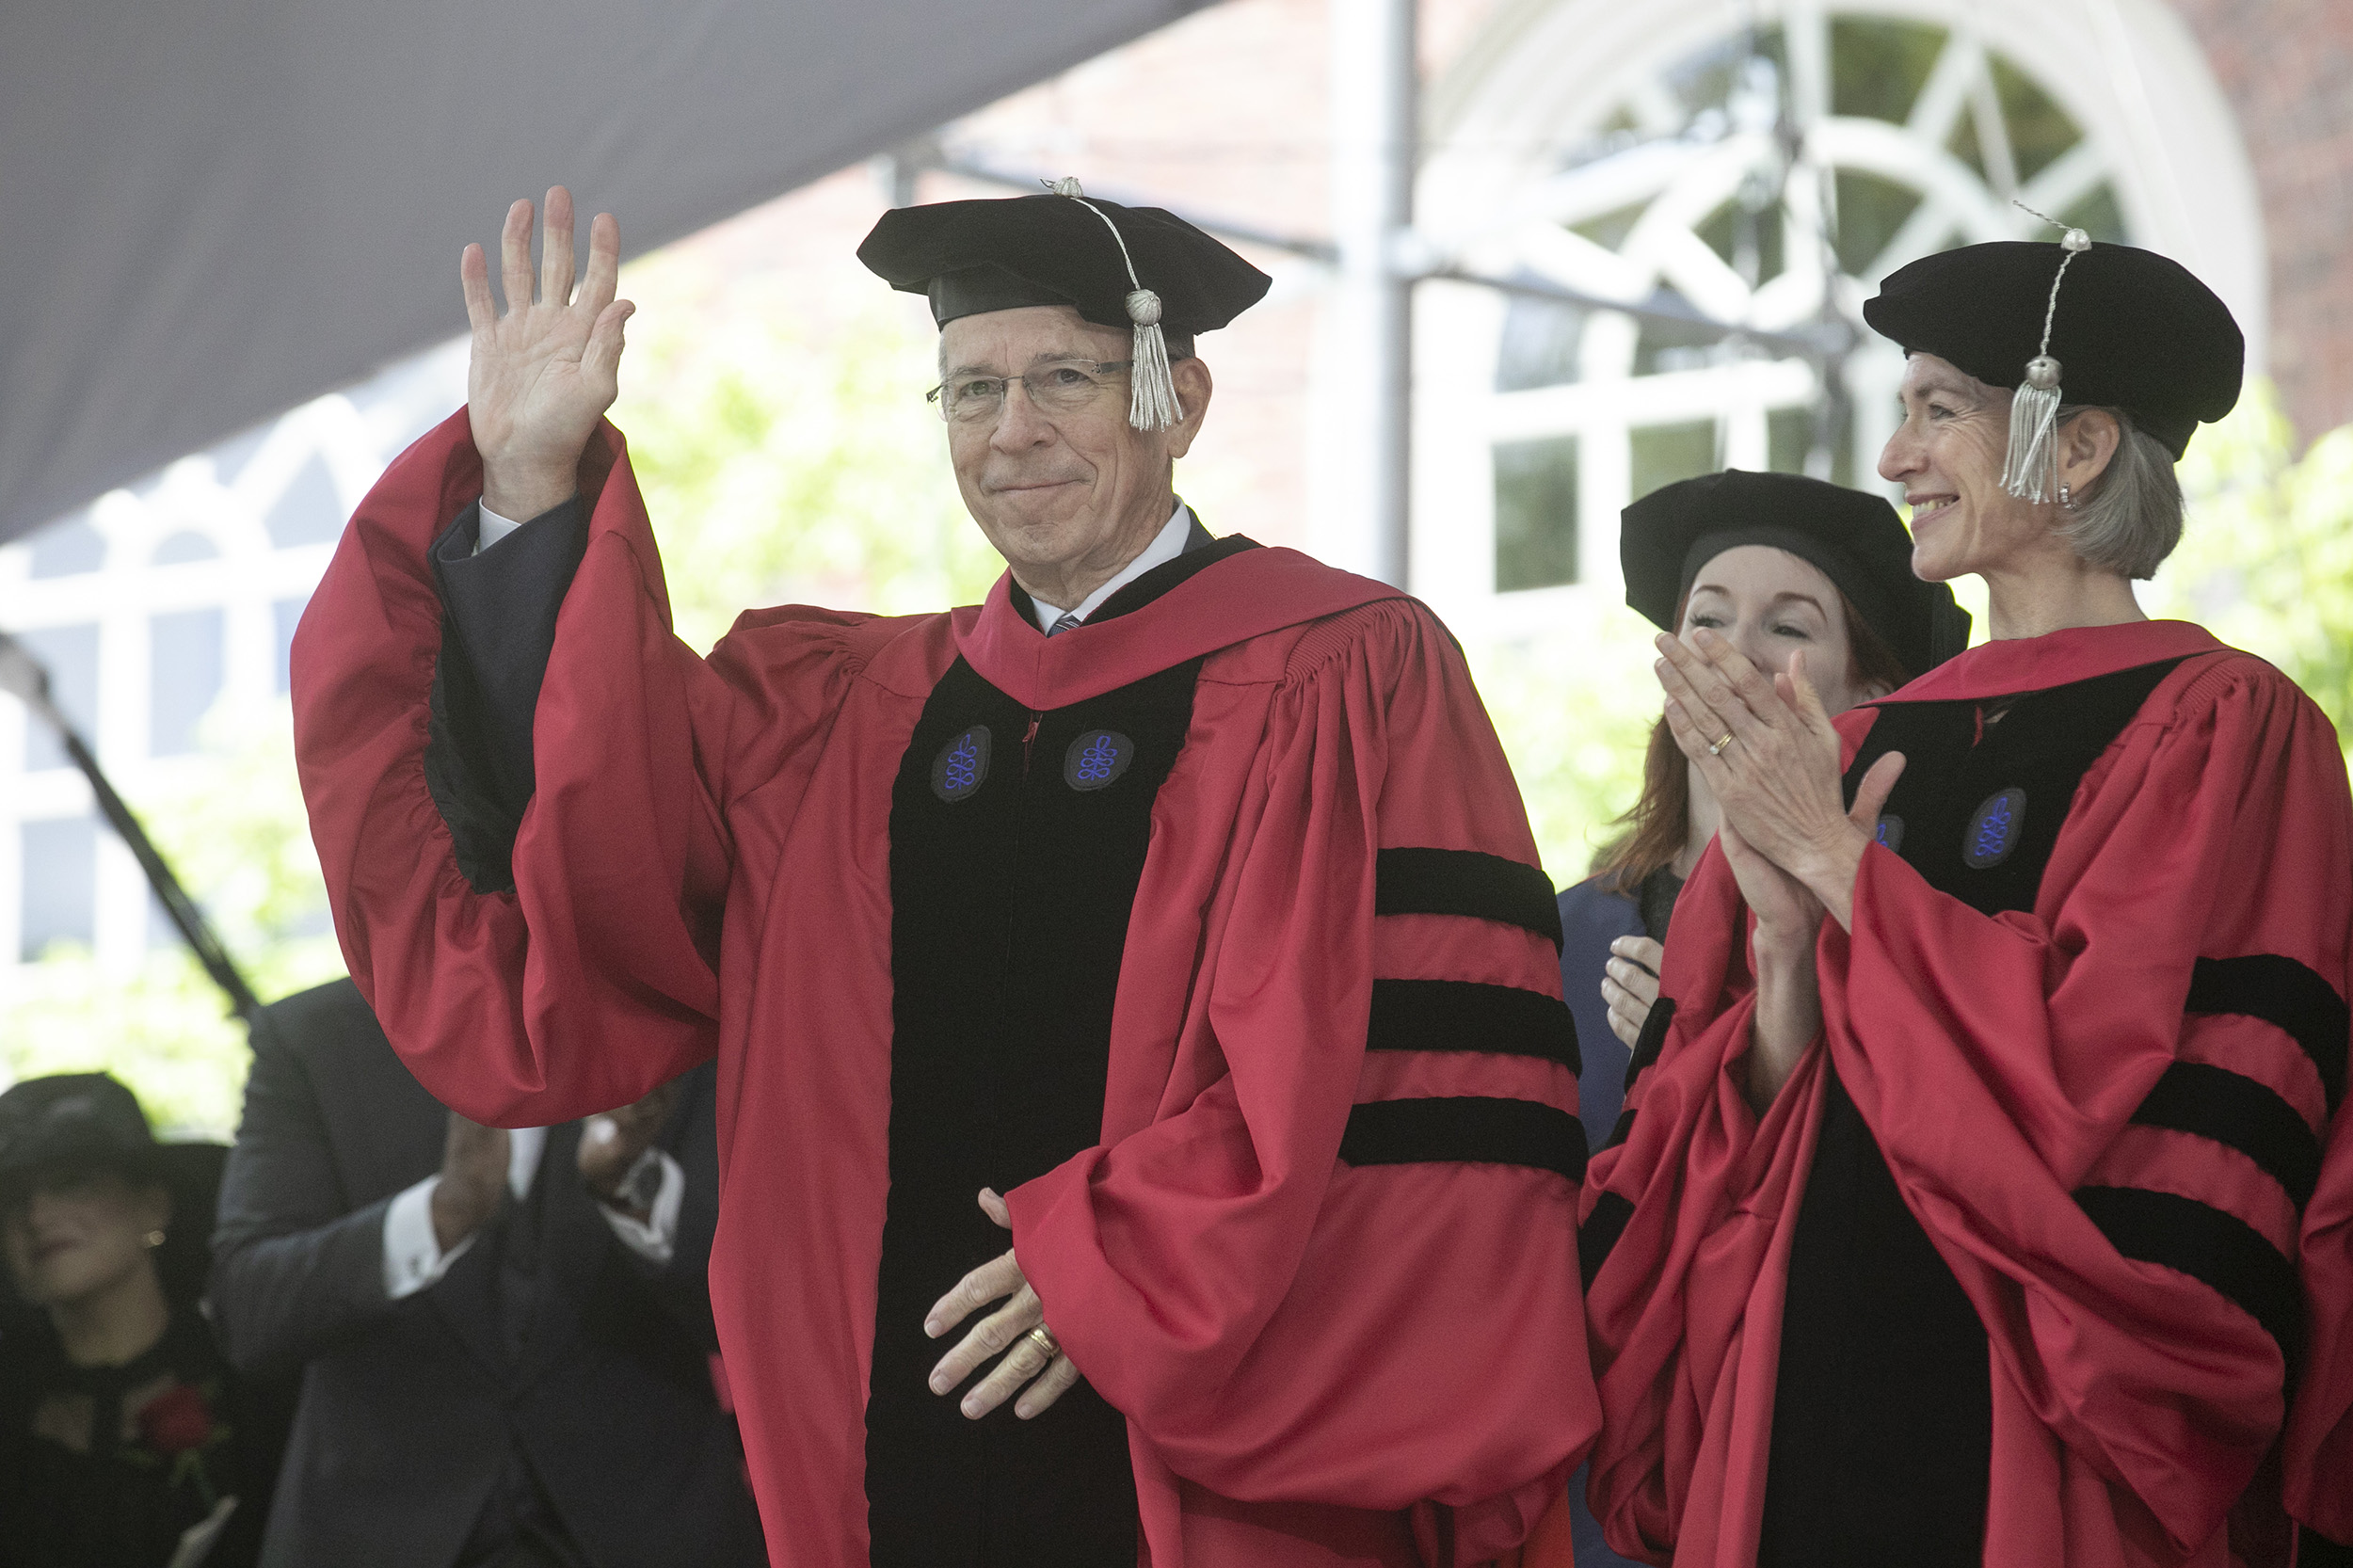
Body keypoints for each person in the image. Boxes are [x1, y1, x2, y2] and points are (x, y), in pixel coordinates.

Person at [288, 183, 1596, 1566]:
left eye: (1063, 380)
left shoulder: (1348, 671)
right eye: (970, 391)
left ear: (1179, 398)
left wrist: (1116, 1269)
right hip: (878, 1450)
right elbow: (599, 813)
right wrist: (531, 488)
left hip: (1205, 1457)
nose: (1011, 432)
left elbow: (1393, 1080)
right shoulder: (840, 712)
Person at [1577, 230, 2353, 1566]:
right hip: (1797, 1367)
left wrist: (1838, 869)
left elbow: (2112, 1080)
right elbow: (1718, 1131)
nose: (1895, 459)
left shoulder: (2222, 725)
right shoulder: (1856, 750)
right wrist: (1776, 955)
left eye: (1941, 412)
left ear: (2081, 445)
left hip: (2041, 1404)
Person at [1544, 470, 1965, 1568]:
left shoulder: (1891, 930)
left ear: (1861, 683)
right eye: (1707, 616)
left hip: (1803, 1427)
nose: (1733, 647)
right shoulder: (1563, 929)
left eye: (1788, 626)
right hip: (1586, 1444)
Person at [207, 976, 763, 1568]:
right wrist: (441, 1215)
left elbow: (772, 1323)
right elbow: (250, 1312)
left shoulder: (683, 1020)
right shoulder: (313, 1035)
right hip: (376, 1531)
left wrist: (634, 1190)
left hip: (653, 1529)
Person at [0, 1072, 290, 1568]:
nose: (37, 1214)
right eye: (10, 1199)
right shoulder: (12, 1408)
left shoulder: (255, 1371)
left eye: (73, 1183)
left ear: (154, 1205)